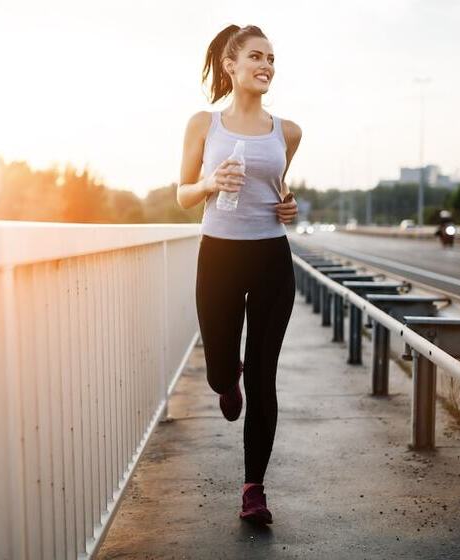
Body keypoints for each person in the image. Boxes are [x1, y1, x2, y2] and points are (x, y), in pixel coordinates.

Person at [175, 24, 302, 525]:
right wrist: (210, 181)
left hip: (272, 259)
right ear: (231, 65)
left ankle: (254, 490)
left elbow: (279, 187)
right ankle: (228, 381)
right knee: (220, 369)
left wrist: (289, 206)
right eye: (256, 56)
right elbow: (182, 194)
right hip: (220, 257)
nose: (266, 65)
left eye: (272, 58)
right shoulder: (204, 125)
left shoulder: (287, 131)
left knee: (265, 376)